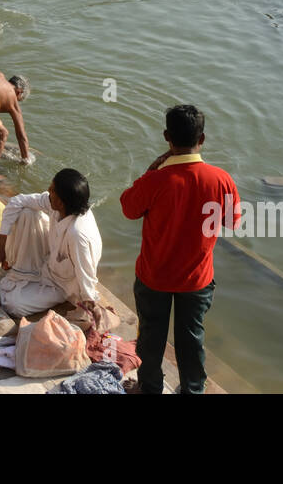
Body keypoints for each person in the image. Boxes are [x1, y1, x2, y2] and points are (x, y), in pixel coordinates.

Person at [119, 104, 240, 395]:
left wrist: (149, 171)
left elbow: (128, 208)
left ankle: (149, 388)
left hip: (154, 277)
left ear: (166, 137)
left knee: (151, 335)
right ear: (203, 139)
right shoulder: (221, 180)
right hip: (197, 280)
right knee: (191, 338)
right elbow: (232, 222)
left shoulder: (156, 180)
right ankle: (193, 390)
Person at [0, 168, 102, 317]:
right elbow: (17, 201)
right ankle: (23, 273)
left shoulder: (78, 234)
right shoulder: (58, 204)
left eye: (52, 189)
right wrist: (0, 243)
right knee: (26, 212)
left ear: (60, 202)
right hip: (49, 261)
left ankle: (23, 276)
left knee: (12, 305)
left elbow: (86, 272)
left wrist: (89, 301)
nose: (48, 190)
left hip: (62, 285)